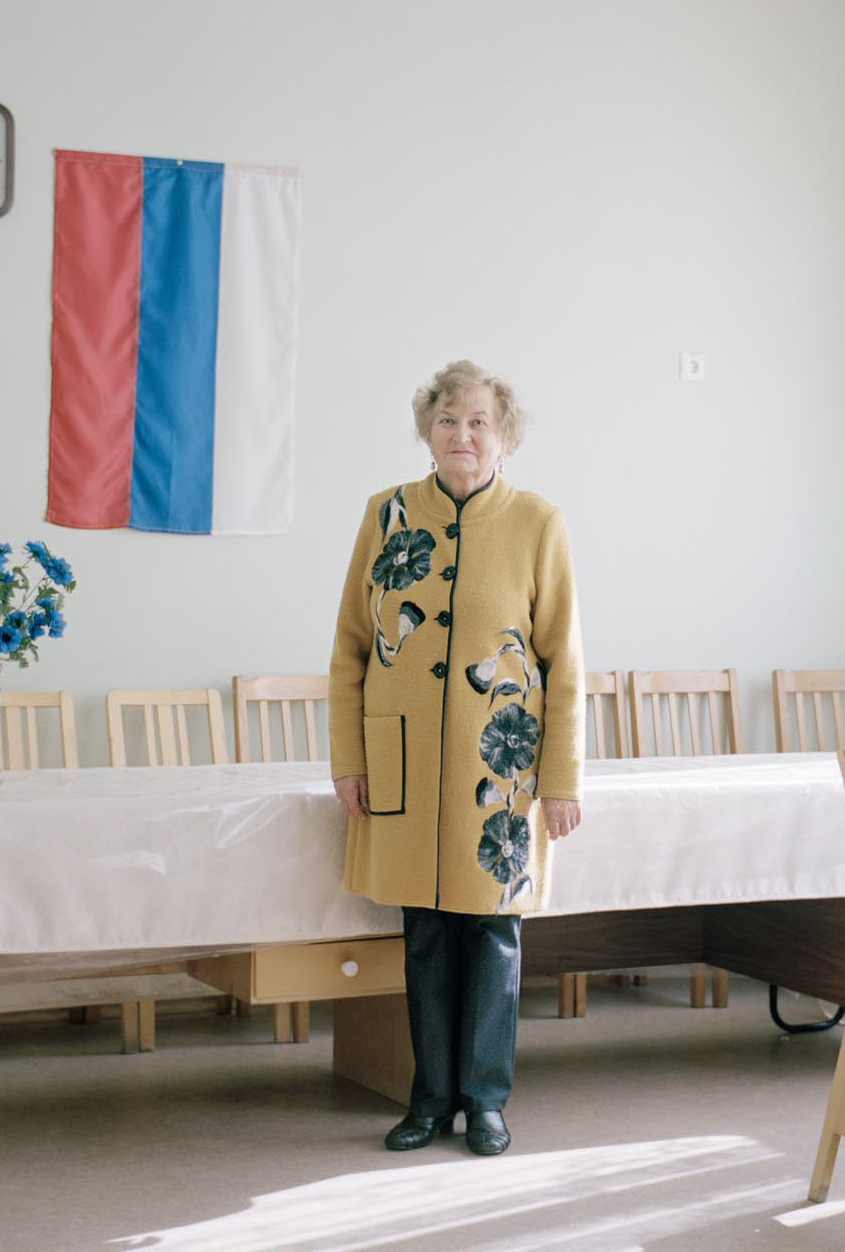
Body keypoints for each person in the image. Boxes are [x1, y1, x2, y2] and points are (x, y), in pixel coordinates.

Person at [328, 359, 585, 1157]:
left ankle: (487, 1100)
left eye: (478, 422)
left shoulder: (538, 522)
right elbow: (350, 650)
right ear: (427, 432)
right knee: (426, 933)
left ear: (504, 437)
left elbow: (564, 665)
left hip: (498, 769)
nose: (462, 435)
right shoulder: (386, 515)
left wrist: (561, 780)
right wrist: (349, 758)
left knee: (494, 933)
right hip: (401, 763)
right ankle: (429, 1098)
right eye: (447, 420)